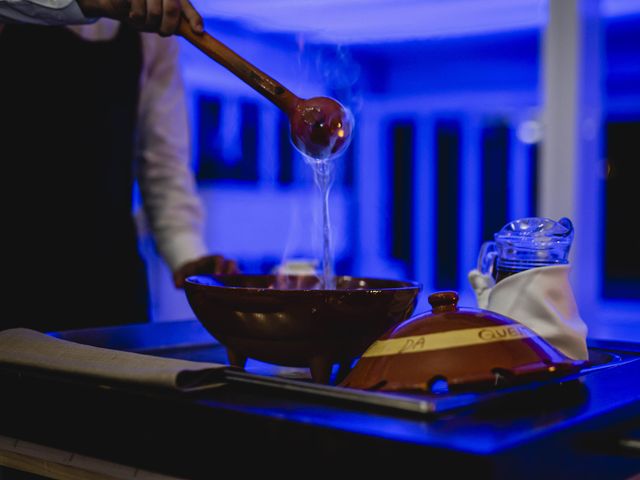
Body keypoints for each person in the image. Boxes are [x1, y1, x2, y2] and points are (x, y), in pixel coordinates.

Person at [0, 1, 238, 332]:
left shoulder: (154, 36)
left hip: (111, 274)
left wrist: (189, 256)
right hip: (14, 270)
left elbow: (164, 163)